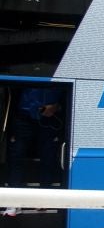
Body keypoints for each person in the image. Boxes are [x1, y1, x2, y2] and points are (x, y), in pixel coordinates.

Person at [3, 87, 64, 217]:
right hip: (23, 116)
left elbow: (70, 92)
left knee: (48, 156)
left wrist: (57, 106)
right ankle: (13, 201)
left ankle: (43, 198)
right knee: (16, 156)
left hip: (50, 118)